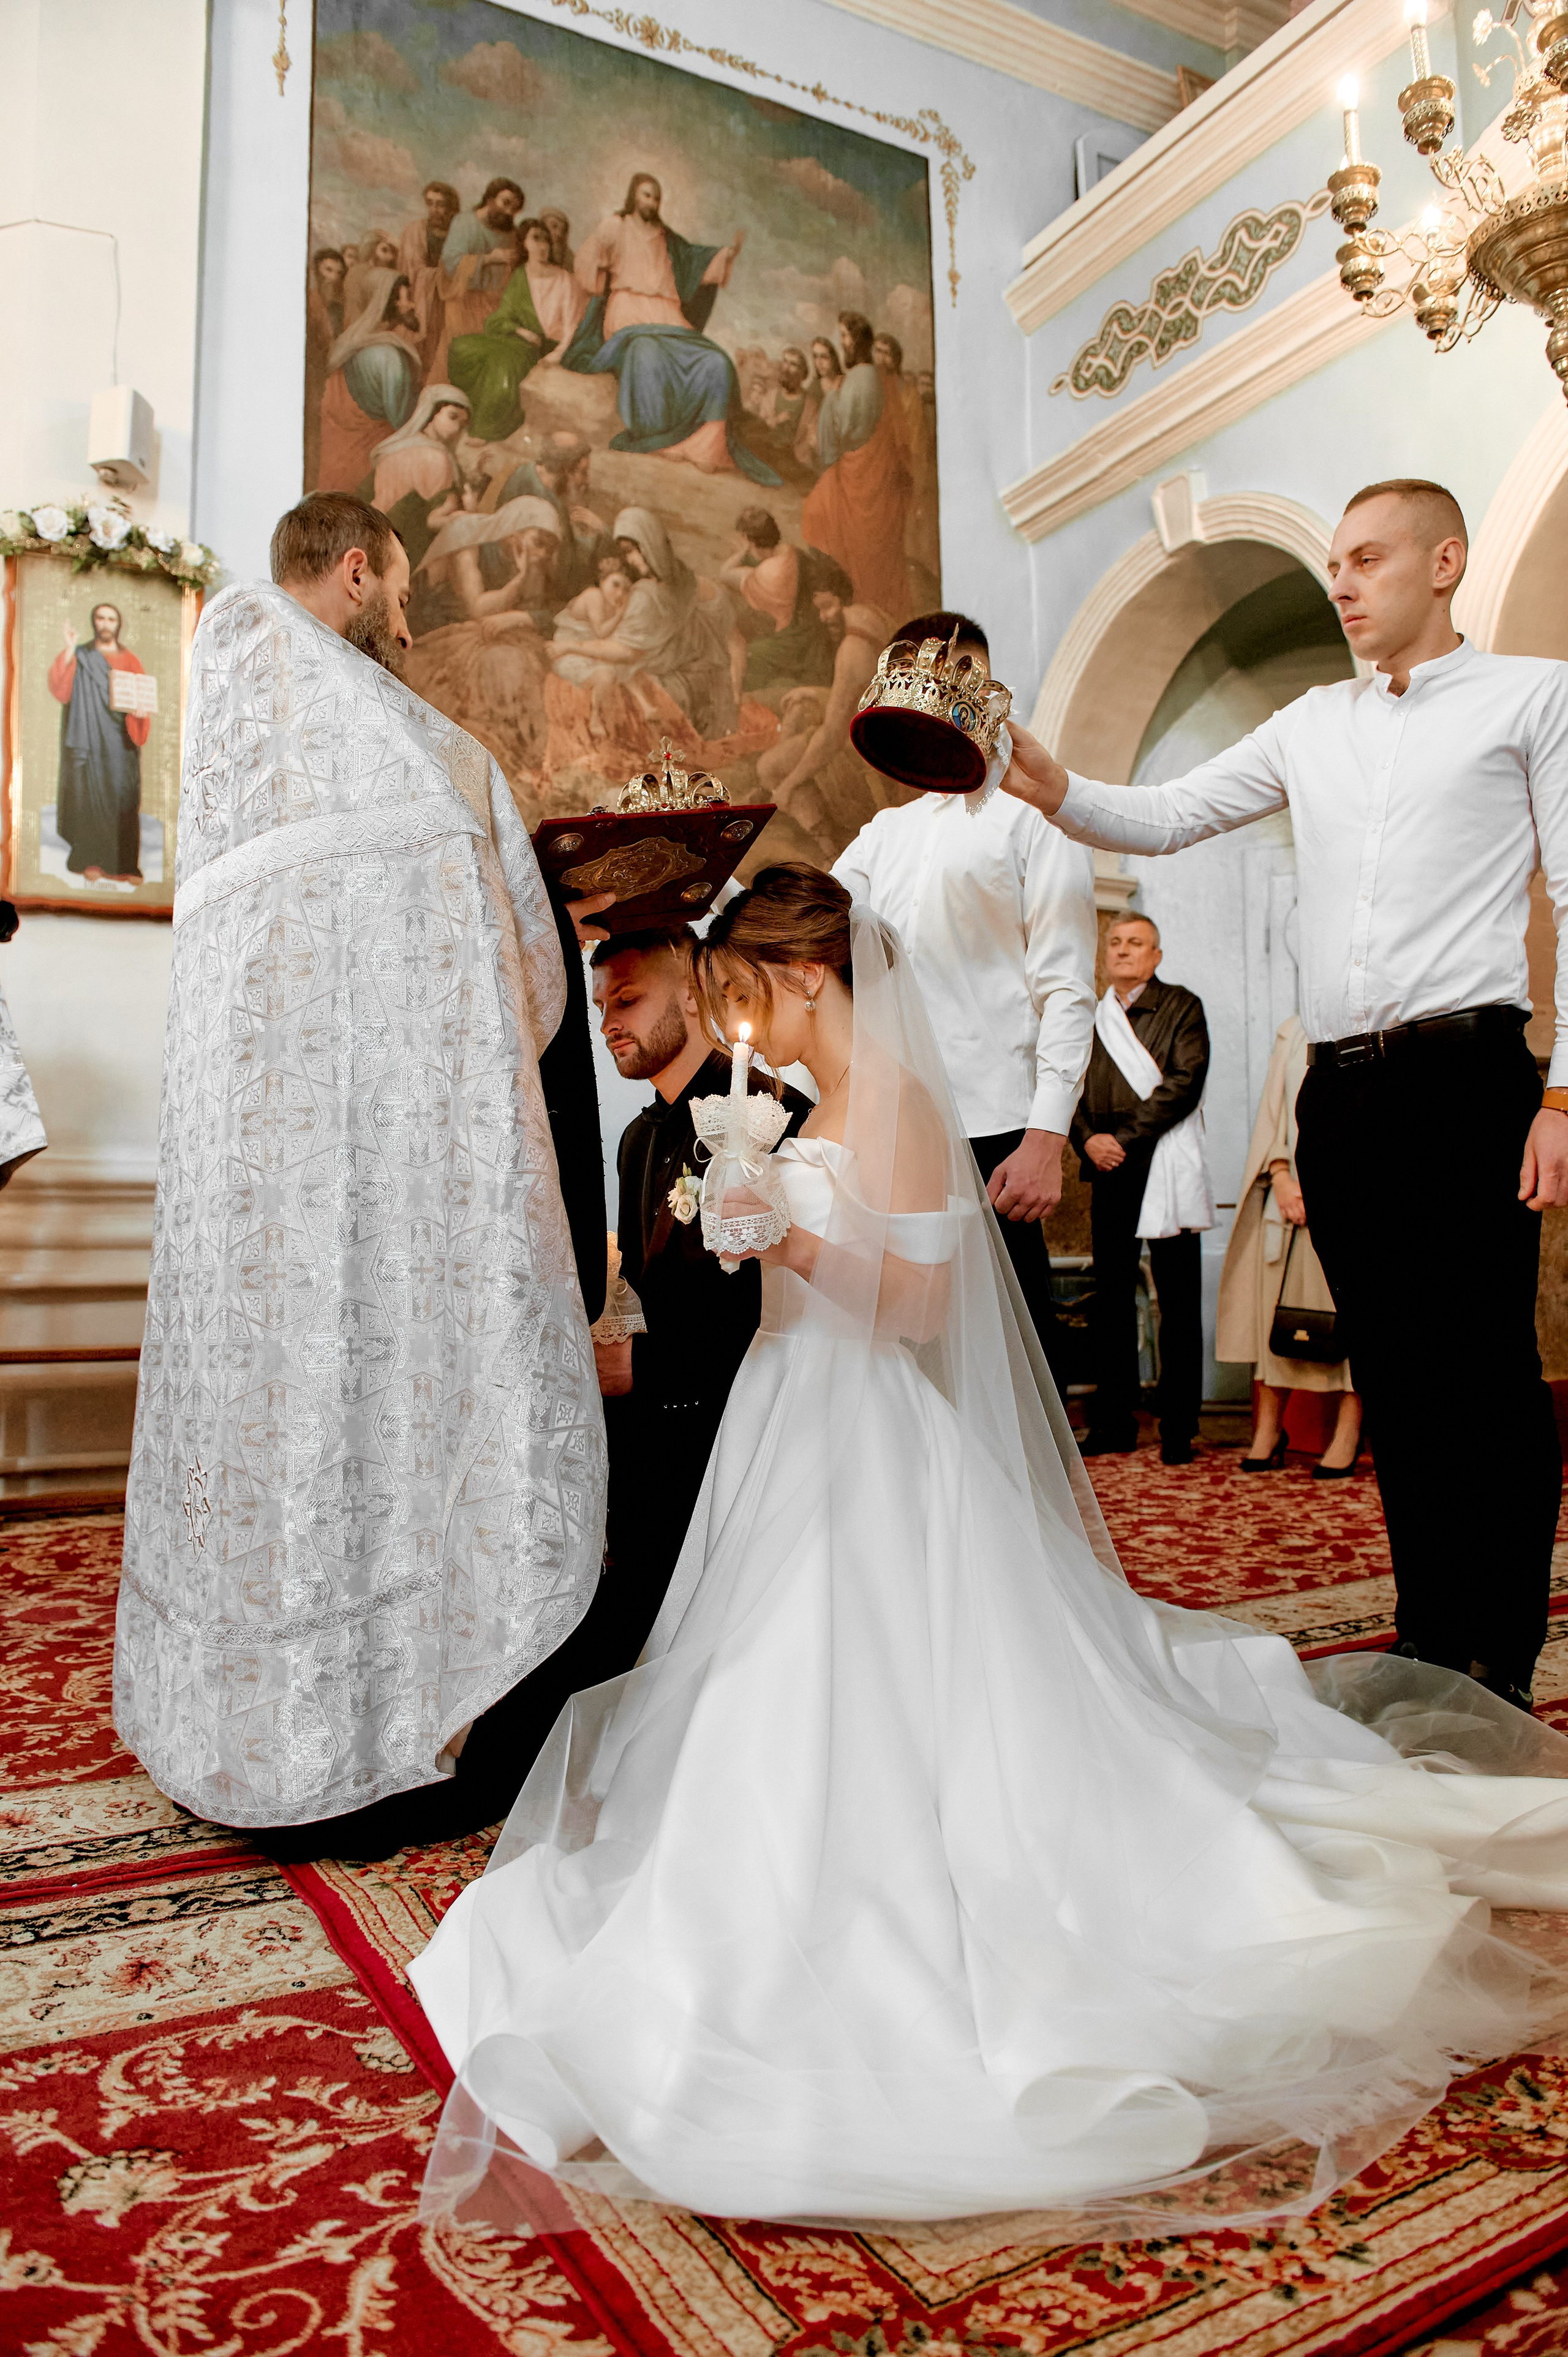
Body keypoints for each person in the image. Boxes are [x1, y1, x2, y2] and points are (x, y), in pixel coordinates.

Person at [410, 861, 1568, 2238]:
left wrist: (783, 1224)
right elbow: (804, 1271)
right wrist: (750, 1231)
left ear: (802, 976)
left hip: (867, 1434)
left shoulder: (893, 1102)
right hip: (787, 1421)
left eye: (740, 996)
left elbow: (912, 1306)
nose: (742, 1027)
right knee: (772, 1685)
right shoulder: (790, 1103)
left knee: (876, 1677)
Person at [1000, 477, 1568, 1711]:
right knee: (1398, 1382)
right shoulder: (1310, 722)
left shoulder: (1532, 696)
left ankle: (1500, 1653)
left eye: (1366, 558)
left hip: (1469, 1072)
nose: (1343, 582)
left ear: (1443, 562)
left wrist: (1560, 1098)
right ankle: (1431, 1641)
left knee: (1483, 1374)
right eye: (1335, 564)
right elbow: (1161, 816)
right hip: (1341, 1090)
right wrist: (1052, 787)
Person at [114, 491, 609, 1863]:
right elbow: (520, 973)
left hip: (256, 1214)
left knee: (288, 1447)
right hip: (394, 1188)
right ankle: (402, 1724)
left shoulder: (232, 744)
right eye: (397, 594)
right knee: (383, 1428)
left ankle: (242, 1728)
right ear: (352, 571)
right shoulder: (414, 747)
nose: (405, 621)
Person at [832, 613, 1095, 1383]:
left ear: (988, 687)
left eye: (957, 672)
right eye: (922, 671)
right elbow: (809, 921)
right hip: (897, 1120)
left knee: (1010, 1359)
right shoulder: (885, 830)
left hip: (997, 1128)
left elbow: (1066, 987)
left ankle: (1030, 1507)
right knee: (913, 1341)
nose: (938, 688)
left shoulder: (1037, 817)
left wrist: (1046, 1138)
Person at [592, 926, 810, 1650]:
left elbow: (777, 1299)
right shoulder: (635, 1137)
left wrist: (643, 1366)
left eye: (626, 998)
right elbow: (641, 1289)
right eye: (600, 1005)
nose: (608, 1023)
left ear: (691, 994)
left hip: (740, 1430)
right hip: (655, 1429)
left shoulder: (771, 1114)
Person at [1071, 912, 1212, 1465]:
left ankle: (1179, 1426)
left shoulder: (1182, 1007)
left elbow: (1185, 1082)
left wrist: (1120, 1139)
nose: (1124, 951)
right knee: (1110, 1300)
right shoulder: (1087, 1012)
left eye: (1137, 944)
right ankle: (1114, 1421)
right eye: (1116, 942)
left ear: (1156, 956)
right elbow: (1067, 1083)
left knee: (1177, 1302)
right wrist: (1087, 1141)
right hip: (1108, 1169)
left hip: (1164, 1163)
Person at [1218, 1012, 1363, 1476]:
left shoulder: (1376, 1022)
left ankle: (1349, 1432)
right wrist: (1281, 1177)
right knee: (1272, 1317)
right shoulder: (1296, 1027)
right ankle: (1268, 1430)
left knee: (1355, 1318)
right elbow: (1273, 1113)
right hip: (1290, 1193)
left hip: (1351, 1194)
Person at [563, 172, 776, 485]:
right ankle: (661, 437)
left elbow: (692, 261)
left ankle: (705, 448)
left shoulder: (667, 238)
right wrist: (601, 239)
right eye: (647, 195)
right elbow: (587, 265)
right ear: (634, 195)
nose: (652, 202)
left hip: (668, 315)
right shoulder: (617, 227)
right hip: (630, 312)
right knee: (647, 352)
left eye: (657, 197)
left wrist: (727, 254)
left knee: (717, 363)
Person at [756, 564, 894, 855]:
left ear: (842, 599)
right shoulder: (876, 620)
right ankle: (770, 791)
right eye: (819, 609)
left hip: (866, 760)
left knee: (769, 767)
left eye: (828, 606)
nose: (824, 617)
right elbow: (863, 691)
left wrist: (790, 785)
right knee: (800, 708)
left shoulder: (852, 650)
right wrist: (814, 693)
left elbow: (832, 736)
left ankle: (828, 849)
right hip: (882, 737)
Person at [801, 311, 911, 620]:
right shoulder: (868, 376)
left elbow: (849, 430)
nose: (843, 343)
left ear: (858, 341)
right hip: (862, 467)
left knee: (822, 520)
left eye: (846, 337)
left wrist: (832, 398)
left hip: (861, 471)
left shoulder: (862, 377)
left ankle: (848, 599)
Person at [448, 219, 575, 443]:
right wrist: (519, 331)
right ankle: (471, 414)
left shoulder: (564, 279)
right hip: (518, 338)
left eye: (546, 239)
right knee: (462, 347)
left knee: (502, 363)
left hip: (544, 345)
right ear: (524, 244)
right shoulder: (520, 276)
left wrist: (557, 355)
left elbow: (572, 326)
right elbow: (502, 316)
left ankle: (487, 429)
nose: (543, 245)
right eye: (536, 238)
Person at [48, 602, 149, 880]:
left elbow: (142, 700)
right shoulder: (81, 655)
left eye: (111, 619)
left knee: (122, 797)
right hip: (88, 741)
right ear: (95, 622)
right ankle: (89, 860)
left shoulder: (130, 660)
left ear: (119, 624)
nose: (105, 624)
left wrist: (140, 713)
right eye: (100, 618)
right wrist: (69, 648)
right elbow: (61, 690)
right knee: (88, 797)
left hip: (119, 744)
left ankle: (124, 865)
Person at [317, 271, 422, 494]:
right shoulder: (390, 357)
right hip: (372, 453)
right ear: (387, 302)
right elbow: (401, 419)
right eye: (406, 298)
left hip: (341, 452)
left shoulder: (350, 344)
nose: (412, 305)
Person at [720, 506, 835, 694]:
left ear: (750, 540)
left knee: (749, 655)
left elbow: (725, 574)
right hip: (807, 624)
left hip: (792, 636)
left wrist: (742, 552)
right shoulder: (791, 552)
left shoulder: (770, 573)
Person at [369, 383, 473, 571]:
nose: (457, 428)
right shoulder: (439, 458)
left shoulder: (392, 449)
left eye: (462, 424)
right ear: (432, 412)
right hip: (411, 543)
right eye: (453, 417)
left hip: (376, 537)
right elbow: (437, 516)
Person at [431, 178, 526, 377]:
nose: (509, 212)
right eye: (505, 203)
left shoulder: (512, 234)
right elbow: (451, 263)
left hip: (494, 308)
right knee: (461, 363)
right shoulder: (465, 222)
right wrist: (490, 258)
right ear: (490, 200)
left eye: (515, 209)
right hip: (464, 305)